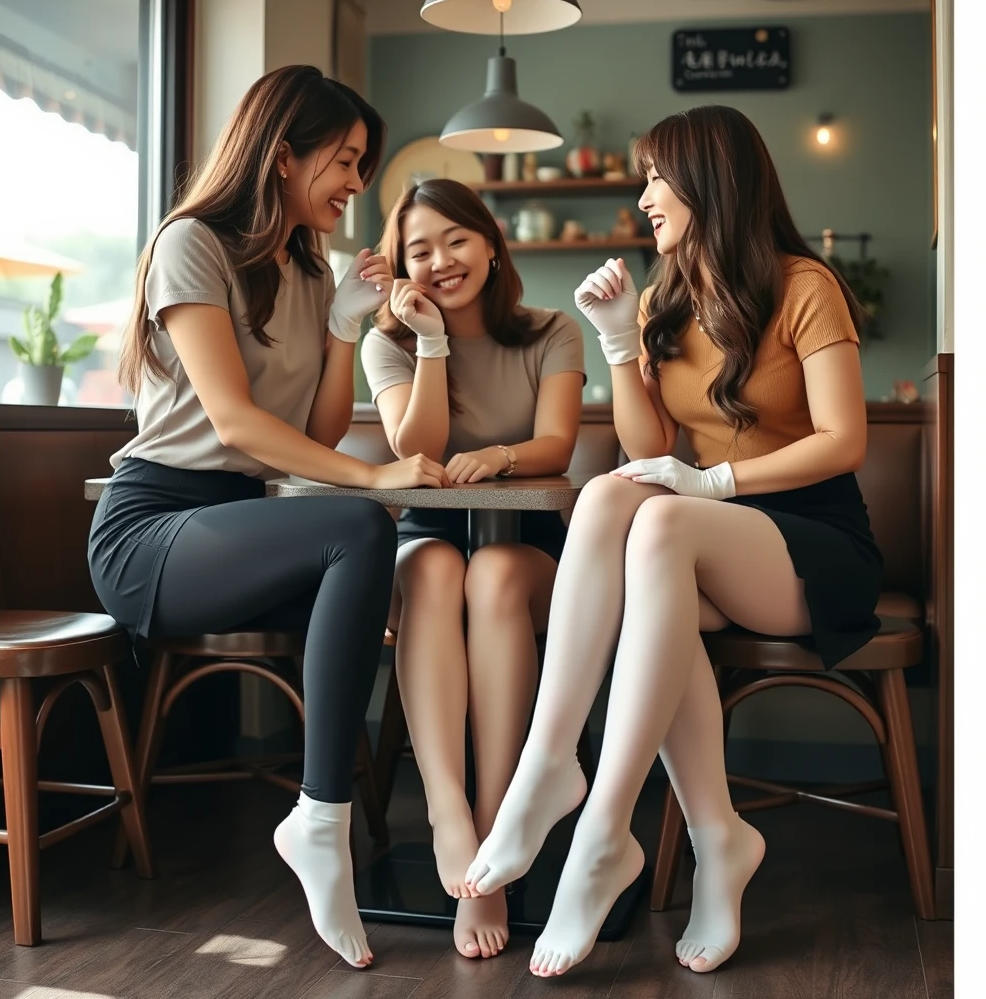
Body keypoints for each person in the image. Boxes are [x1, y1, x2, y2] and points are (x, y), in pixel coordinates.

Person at [463, 104, 884, 978]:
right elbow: (650, 454)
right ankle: (695, 827)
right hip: (705, 534)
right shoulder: (665, 300)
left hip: (813, 542)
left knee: (656, 517)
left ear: (711, 182)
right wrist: (622, 341)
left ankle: (601, 830)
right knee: (621, 498)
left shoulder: (805, 286)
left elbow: (844, 440)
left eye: (658, 175)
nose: (646, 193)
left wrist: (716, 482)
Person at [87, 65, 449, 970]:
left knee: (411, 560)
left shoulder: (307, 264)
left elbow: (316, 429)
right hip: (153, 533)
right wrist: (373, 481)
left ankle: (421, 820)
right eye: (348, 161)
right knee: (363, 526)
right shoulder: (191, 244)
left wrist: (342, 326)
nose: (358, 184)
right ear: (282, 153)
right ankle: (322, 818)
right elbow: (237, 423)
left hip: (238, 524)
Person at [360, 178, 585, 960]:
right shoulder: (387, 341)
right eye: (418, 250)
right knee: (432, 573)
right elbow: (410, 454)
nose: (440, 261)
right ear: (399, 267)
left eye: (455, 240)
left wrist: (500, 455)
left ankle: (495, 837)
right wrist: (429, 343)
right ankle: (446, 811)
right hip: (429, 537)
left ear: (491, 242)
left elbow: (557, 446)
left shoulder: (552, 331)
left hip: (532, 549)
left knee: (490, 573)